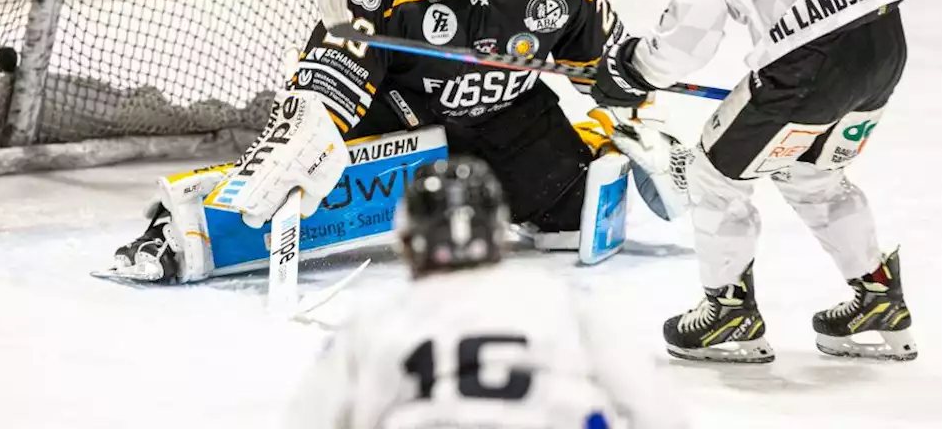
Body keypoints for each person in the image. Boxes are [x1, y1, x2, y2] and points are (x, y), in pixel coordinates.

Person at [107, 0, 645, 284]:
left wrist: (628, 116)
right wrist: (307, 124)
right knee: (302, 171)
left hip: (510, 119)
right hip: (404, 115)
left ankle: (566, 168)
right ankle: (176, 229)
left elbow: (600, 63)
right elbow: (337, 61)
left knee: (572, 221)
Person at [590, 0, 916, 363]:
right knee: (811, 172)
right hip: (884, 43)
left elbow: (695, 28)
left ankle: (729, 316)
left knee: (714, 174)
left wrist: (633, 69)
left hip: (810, 60)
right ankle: (878, 301)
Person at [286, 155, 688, 429]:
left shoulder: (371, 325)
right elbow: (656, 407)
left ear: (406, 241)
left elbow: (309, 418)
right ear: (499, 235)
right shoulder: (559, 302)